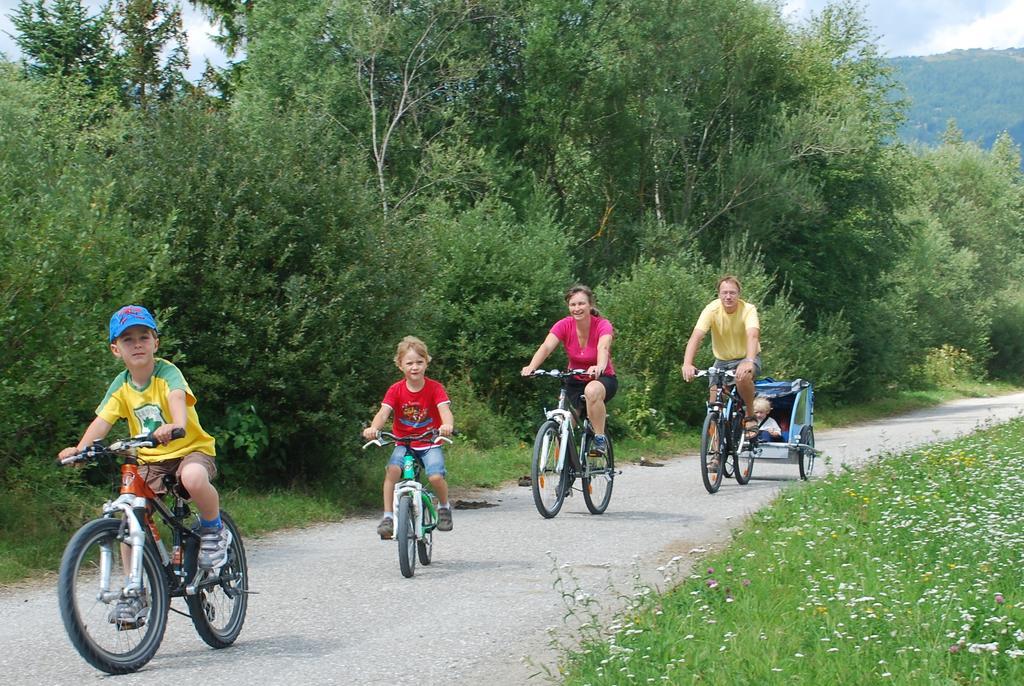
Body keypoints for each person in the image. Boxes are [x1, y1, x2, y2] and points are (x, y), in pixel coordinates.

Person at [57, 305, 226, 626]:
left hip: (189, 450)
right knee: (128, 517)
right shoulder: (120, 386)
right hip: (151, 460)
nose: (137, 344)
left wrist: (175, 425)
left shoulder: (167, 373)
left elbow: (178, 399)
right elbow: (102, 421)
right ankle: (135, 593)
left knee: (192, 476)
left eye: (143, 337)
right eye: (127, 339)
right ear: (115, 350)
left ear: (155, 343)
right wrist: (79, 450)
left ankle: (213, 529)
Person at [363, 336, 455, 539]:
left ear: (426, 362)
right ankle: (388, 517)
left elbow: (444, 410)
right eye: (409, 363)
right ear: (400, 365)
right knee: (392, 471)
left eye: (419, 362)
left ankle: (444, 507)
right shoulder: (395, 390)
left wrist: (446, 426)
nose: (415, 367)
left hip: (430, 441)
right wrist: (373, 428)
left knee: (436, 476)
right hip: (404, 443)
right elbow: (383, 413)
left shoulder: (435, 388)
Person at [521, 284, 617, 455]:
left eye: (581, 304)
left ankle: (600, 438)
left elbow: (603, 348)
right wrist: (532, 367)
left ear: (590, 305)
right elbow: (546, 347)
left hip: (602, 379)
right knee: (562, 419)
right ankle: (565, 464)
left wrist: (599, 367)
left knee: (592, 390)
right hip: (574, 378)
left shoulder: (603, 325)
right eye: (573, 305)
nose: (577, 308)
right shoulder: (564, 325)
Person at [681, 275, 762, 440]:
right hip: (722, 360)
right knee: (714, 404)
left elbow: (752, 335)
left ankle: (750, 415)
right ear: (718, 294)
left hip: (747, 356)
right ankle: (715, 453)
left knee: (742, 377)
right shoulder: (712, 309)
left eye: (732, 293)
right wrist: (687, 363)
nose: (728, 296)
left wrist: (748, 361)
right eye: (724, 292)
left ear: (739, 294)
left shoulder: (748, 309)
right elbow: (696, 337)